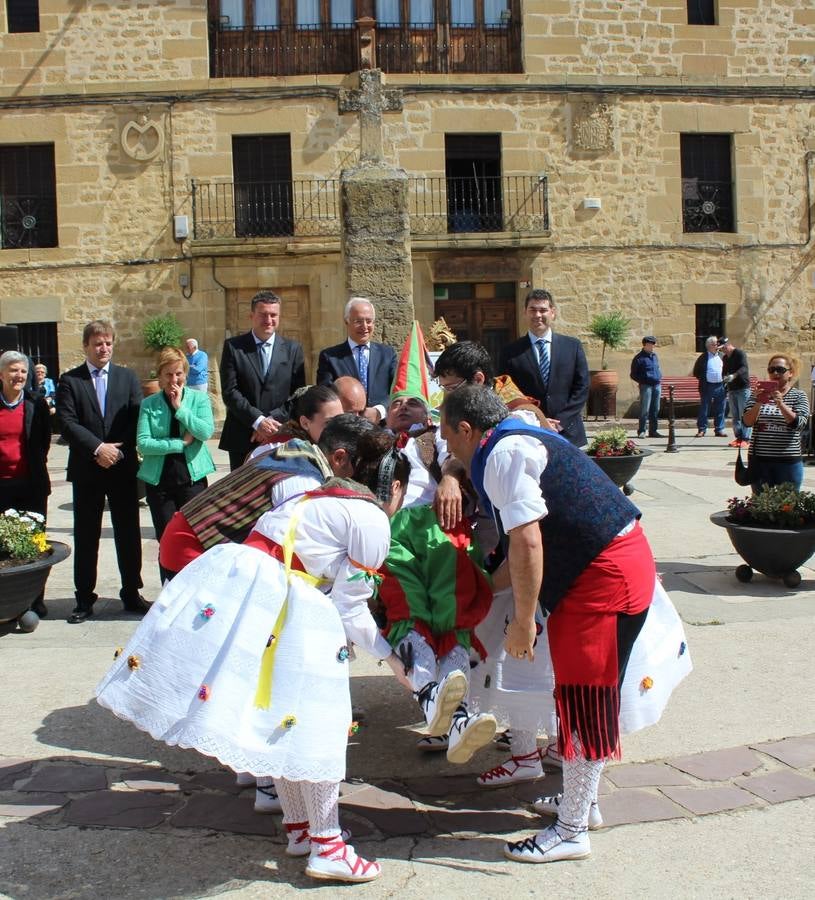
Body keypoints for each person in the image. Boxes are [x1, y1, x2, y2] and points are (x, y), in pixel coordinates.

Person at [96, 429, 414, 884]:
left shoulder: (313, 499)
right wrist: (394, 661)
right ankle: (328, 844)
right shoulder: (370, 519)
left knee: (280, 717)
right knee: (320, 723)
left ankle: (301, 829)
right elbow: (351, 608)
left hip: (251, 593)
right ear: (394, 486)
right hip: (288, 607)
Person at [441, 386, 656, 864]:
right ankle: (585, 804)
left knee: (584, 701)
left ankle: (573, 829)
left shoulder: (504, 455)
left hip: (602, 577)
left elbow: (528, 544)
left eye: (447, 434)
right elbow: (515, 555)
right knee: (584, 696)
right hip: (609, 565)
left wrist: (522, 621)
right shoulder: (514, 438)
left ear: (465, 429)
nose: (447, 447)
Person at [158, 414, 371, 582]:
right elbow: (287, 553)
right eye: (363, 468)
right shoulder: (303, 482)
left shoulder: (301, 450)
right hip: (193, 544)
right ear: (340, 457)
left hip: (195, 535)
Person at [56, 319, 147, 624]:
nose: (103, 348)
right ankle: (84, 598)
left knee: (128, 532)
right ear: (86, 347)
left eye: (108, 342)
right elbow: (67, 422)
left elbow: (137, 418)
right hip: (87, 469)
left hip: (121, 469)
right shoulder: (70, 381)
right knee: (86, 534)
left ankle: (131, 592)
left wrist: (118, 451)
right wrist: (98, 449)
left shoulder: (127, 378)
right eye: (97, 343)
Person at [137, 347, 216, 583]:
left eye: (178, 374)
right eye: (168, 374)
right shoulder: (149, 404)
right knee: (167, 539)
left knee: (195, 537)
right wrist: (180, 444)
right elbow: (143, 444)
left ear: (186, 374)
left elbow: (205, 431)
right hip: (160, 482)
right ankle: (169, 588)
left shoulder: (199, 399)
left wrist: (181, 409)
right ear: (160, 376)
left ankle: (196, 587)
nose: (174, 380)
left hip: (192, 480)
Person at [219, 290, 306, 470]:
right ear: (251, 316)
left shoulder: (293, 349)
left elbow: (298, 394)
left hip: (280, 434)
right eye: (263, 314)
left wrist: (270, 422)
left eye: (273, 315)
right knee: (242, 494)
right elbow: (230, 391)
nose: (268, 320)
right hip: (243, 435)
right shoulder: (234, 347)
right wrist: (257, 421)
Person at [499, 288, 590, 447]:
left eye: (543, 310)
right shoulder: (510, 352)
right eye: (532, 310)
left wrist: (559, 422)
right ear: (525, 312)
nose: (538, 315)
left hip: (568, 432)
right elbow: (507, 393)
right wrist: (538, 420)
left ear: (553, 312)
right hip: (529, 432)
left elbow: (582, 387)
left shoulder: (572, 346)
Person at [0, 352, 52, 617]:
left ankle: (34, 599)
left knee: (34, 541)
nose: (18, 376)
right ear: (1, 374)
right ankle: (6, 601)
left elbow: (43, 442)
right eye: (12, 370)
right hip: (1, 486)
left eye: (22, 371)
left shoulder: (36, 403)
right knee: (3, 545)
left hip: (31, 485)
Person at [316, 298, 397, 418]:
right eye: (358, 321)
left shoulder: (387, 354)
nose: (364, 326)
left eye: (369, 321)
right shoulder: (330, 357)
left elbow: (397, 389)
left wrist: (379, 411)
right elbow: (326, 395)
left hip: (381, 426)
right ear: (347, 322)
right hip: (345, 427)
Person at [742, 353, 810, 492]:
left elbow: (799, 424)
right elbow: (747, 422)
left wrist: (780, 404)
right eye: (771, 370)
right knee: (761, 506)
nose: (775, 373)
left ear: (790, 373)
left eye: (780, 369)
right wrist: (758, 402)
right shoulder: (756, 395)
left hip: (788, 461)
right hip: (760, 461)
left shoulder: (798, 396)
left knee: (788, 507)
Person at [249, 384, 343, 456]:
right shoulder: (277, 451)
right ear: (305, 423)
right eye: (329, 423)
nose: (339, 429)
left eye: (341, 420)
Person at [719, 337, 752, 448]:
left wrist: (734, 375)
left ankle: (746, 438)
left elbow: (744, 368)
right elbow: (724, 371)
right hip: (732, 389)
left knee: (744, 414)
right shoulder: (725, 358)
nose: (722, 351)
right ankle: (738, 437)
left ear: (728, 345)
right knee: (735, 415)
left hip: (742, 388)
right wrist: (724, 378)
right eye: (720, 349)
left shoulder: (739, 353)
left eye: (723, 348)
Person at [692, 336, 727, 437]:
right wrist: (704, 380)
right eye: (714, 344)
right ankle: (702, 429)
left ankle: (719, 429)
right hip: (707, 386)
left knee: (720, 408)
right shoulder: (703, 357)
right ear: (709, 346)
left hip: (720, 385)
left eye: (717, 344)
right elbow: (696, 372)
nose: (717, 346)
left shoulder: (722, 355)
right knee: (704, 408)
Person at [629, 337, 663, 439]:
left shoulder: (654, 356)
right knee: (645, 409)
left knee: (655, 409)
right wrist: (643, 380)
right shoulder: (639, 358)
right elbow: (633, 374)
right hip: (646, 386)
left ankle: (653, 431)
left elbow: (657, 368)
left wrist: (659, 376)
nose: (652, 346)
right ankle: (642, 431)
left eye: (653, 344)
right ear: (645, 345)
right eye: (650, 344)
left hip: (656, 385)